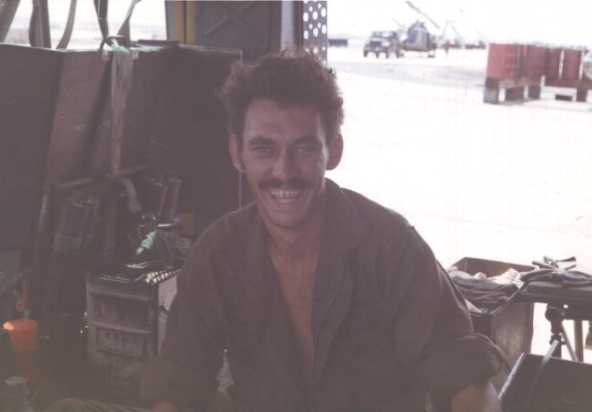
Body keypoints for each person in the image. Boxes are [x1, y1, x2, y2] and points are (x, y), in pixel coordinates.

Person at [139, 49, 505, 412]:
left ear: (335, 151)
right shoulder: (218, 254)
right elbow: (178, 378)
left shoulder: (391, 246)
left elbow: (465, 374)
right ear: (237, 153)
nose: (284, 171)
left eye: (304, 148)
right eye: (264, 149)